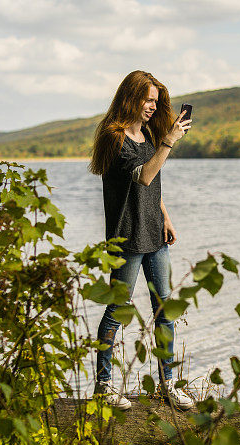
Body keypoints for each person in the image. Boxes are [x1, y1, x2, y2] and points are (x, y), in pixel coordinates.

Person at [88, 70, 193, 410]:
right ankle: (103, 386)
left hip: (153, 232)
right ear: (131, 97)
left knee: (165, 308)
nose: (153, 107)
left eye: (156, 101)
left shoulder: (147, 133)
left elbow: (152, 182)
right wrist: (170, 140)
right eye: (149, 100)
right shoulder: (114, 137)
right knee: (118, 309)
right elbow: (145, 176)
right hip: (127, 237)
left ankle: (168, 384)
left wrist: (164, 216)